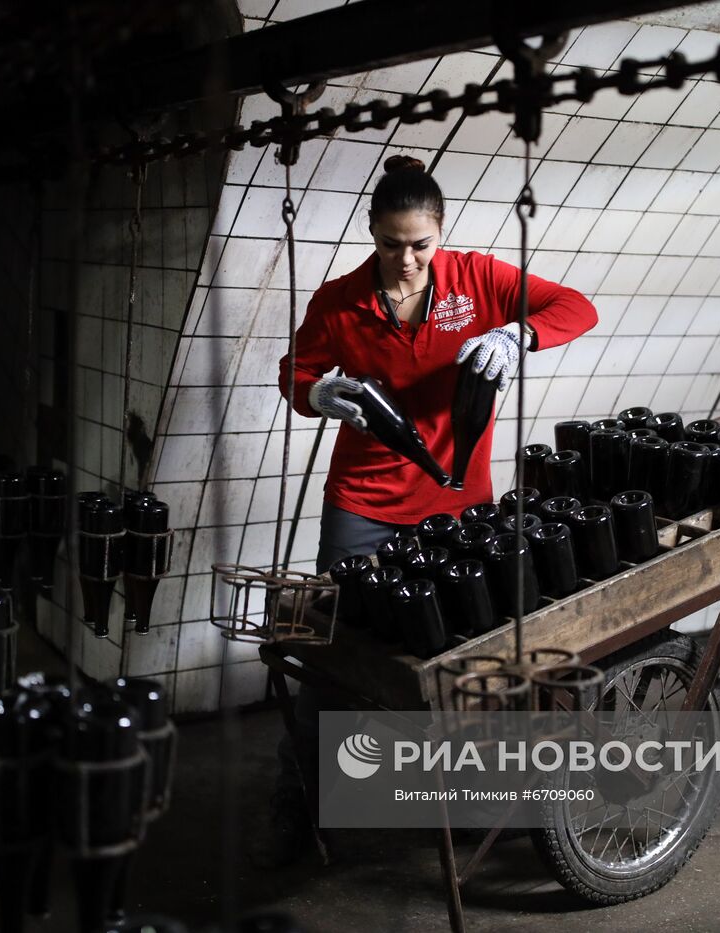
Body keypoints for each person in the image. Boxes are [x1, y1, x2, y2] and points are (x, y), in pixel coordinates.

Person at [253, 154, 598, 867]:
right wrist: (314, 394)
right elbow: (297, 369)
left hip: (456, 508)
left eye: (419, 244)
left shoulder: (479, 280)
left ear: (440, 233)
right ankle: (301, 803)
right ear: (371, 234)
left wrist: (518, 334)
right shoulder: (340, 301)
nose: (405, 261)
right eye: (389, 244)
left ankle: (467, 801)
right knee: (331, 657)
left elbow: (577, 306)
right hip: (364, 504)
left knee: (462, 662)